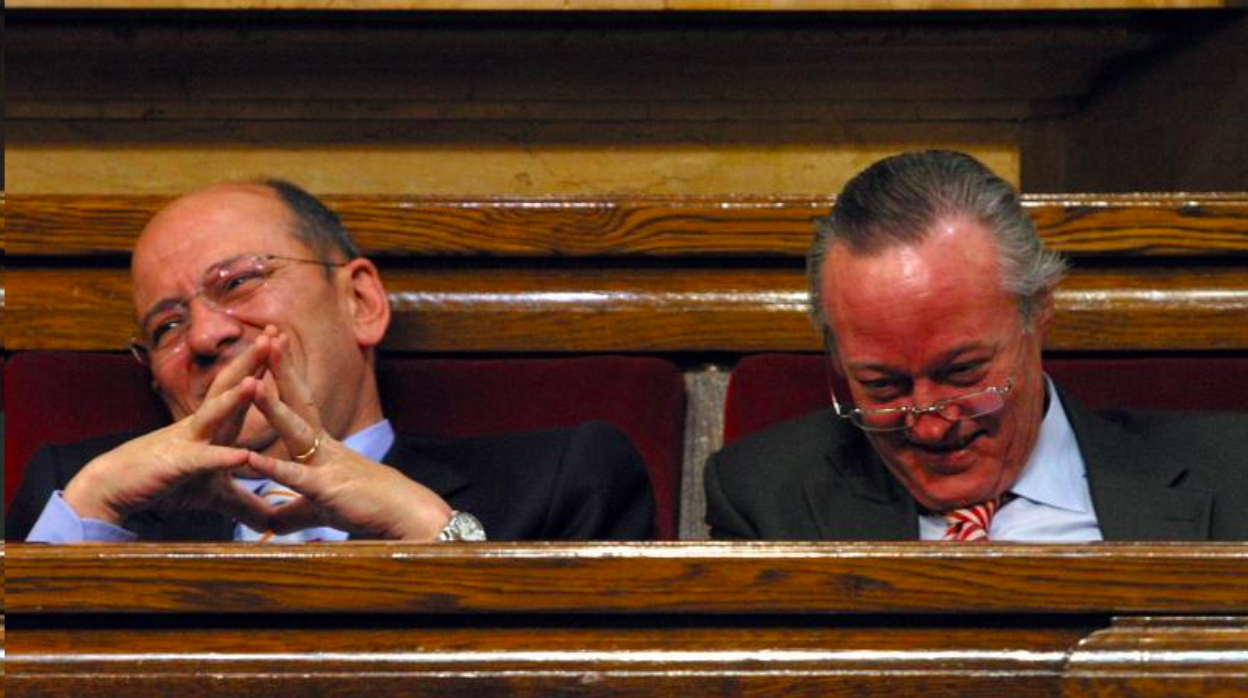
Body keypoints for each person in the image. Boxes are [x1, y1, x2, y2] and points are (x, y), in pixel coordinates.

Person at [7, 180, 655, 543]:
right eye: (167, 324)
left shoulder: (559, 481)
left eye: (238, 283)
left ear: (361, 302)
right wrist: (90, 508)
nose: (205, 335)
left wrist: (434, 534)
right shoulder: (81, 494)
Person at [705, 150, 1247, 542]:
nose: (931, 424)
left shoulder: (1232, 474)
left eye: (963, 373)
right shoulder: (767, 497)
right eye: (883, 386)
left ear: (1038, 312)